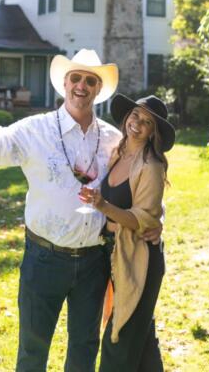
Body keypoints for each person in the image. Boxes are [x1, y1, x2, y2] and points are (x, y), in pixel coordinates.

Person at [0, 49, 162, 372]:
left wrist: (157, 220)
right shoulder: (34, 130)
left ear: (98, 89)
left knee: (84, 349)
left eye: (90, 80)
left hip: (95, 262)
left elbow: (141, 180)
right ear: (65, 84)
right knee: (32, 349)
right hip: (44, 258)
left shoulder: (114, 139)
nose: (82, 85)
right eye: (76, 78)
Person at [80, 93, 175, 372]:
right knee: (142, 339)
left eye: (147, 122)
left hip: (139, 259)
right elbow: (150, 207)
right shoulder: (118, 153)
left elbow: (142, 218)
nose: (138, 123)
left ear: (152, 133)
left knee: (118, 337)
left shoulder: (152, 166)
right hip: (116, 254)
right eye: (136, 115)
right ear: (127, 116)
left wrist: (102, 205)